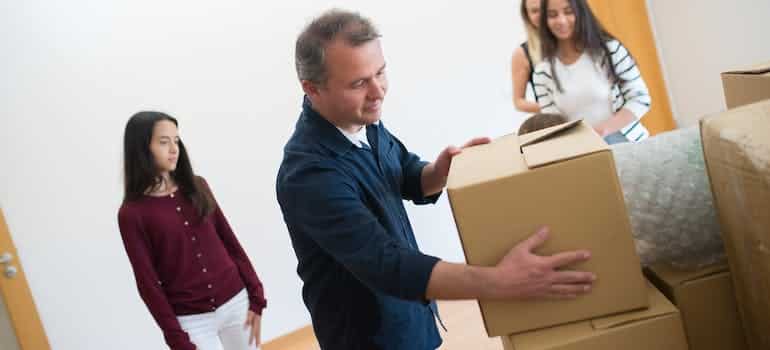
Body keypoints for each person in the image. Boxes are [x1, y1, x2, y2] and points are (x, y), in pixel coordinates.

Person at [276, 9, 595, 349]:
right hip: (367, 337)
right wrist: (500, 281)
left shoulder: (362, 120)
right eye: (358, 83)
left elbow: (404, 175)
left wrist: (438, 172)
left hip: (412, 318)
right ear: (312, 89)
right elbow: (387, 264)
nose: (378, 91)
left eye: (381, 72)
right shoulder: (308, 176)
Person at [118, 111, 266, 350]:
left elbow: (230, 242)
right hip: (191, 320)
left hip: (236, 301)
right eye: (164, 142)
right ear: (141, 148)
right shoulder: (132, 214)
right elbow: (148, 283)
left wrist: (256, 295)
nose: (173, 148)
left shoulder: (198, 186)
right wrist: (175, 336)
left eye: (176, 140)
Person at [533, 0, 652, 144]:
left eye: (569, 12)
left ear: (581, 13)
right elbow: (552, 125)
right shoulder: (542, 73)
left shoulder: (610, 51)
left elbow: (640, 99)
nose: (561, 20)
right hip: (582, 151)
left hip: (626, 141)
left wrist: (602, 131)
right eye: (552, 15)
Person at [512, 0, 544, 113]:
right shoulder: (522, 53)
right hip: (556, 122)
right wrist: (549, 108)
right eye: (535, 11)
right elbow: (519, 101)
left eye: (544, 7)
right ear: (527, 16)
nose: (541, 14)